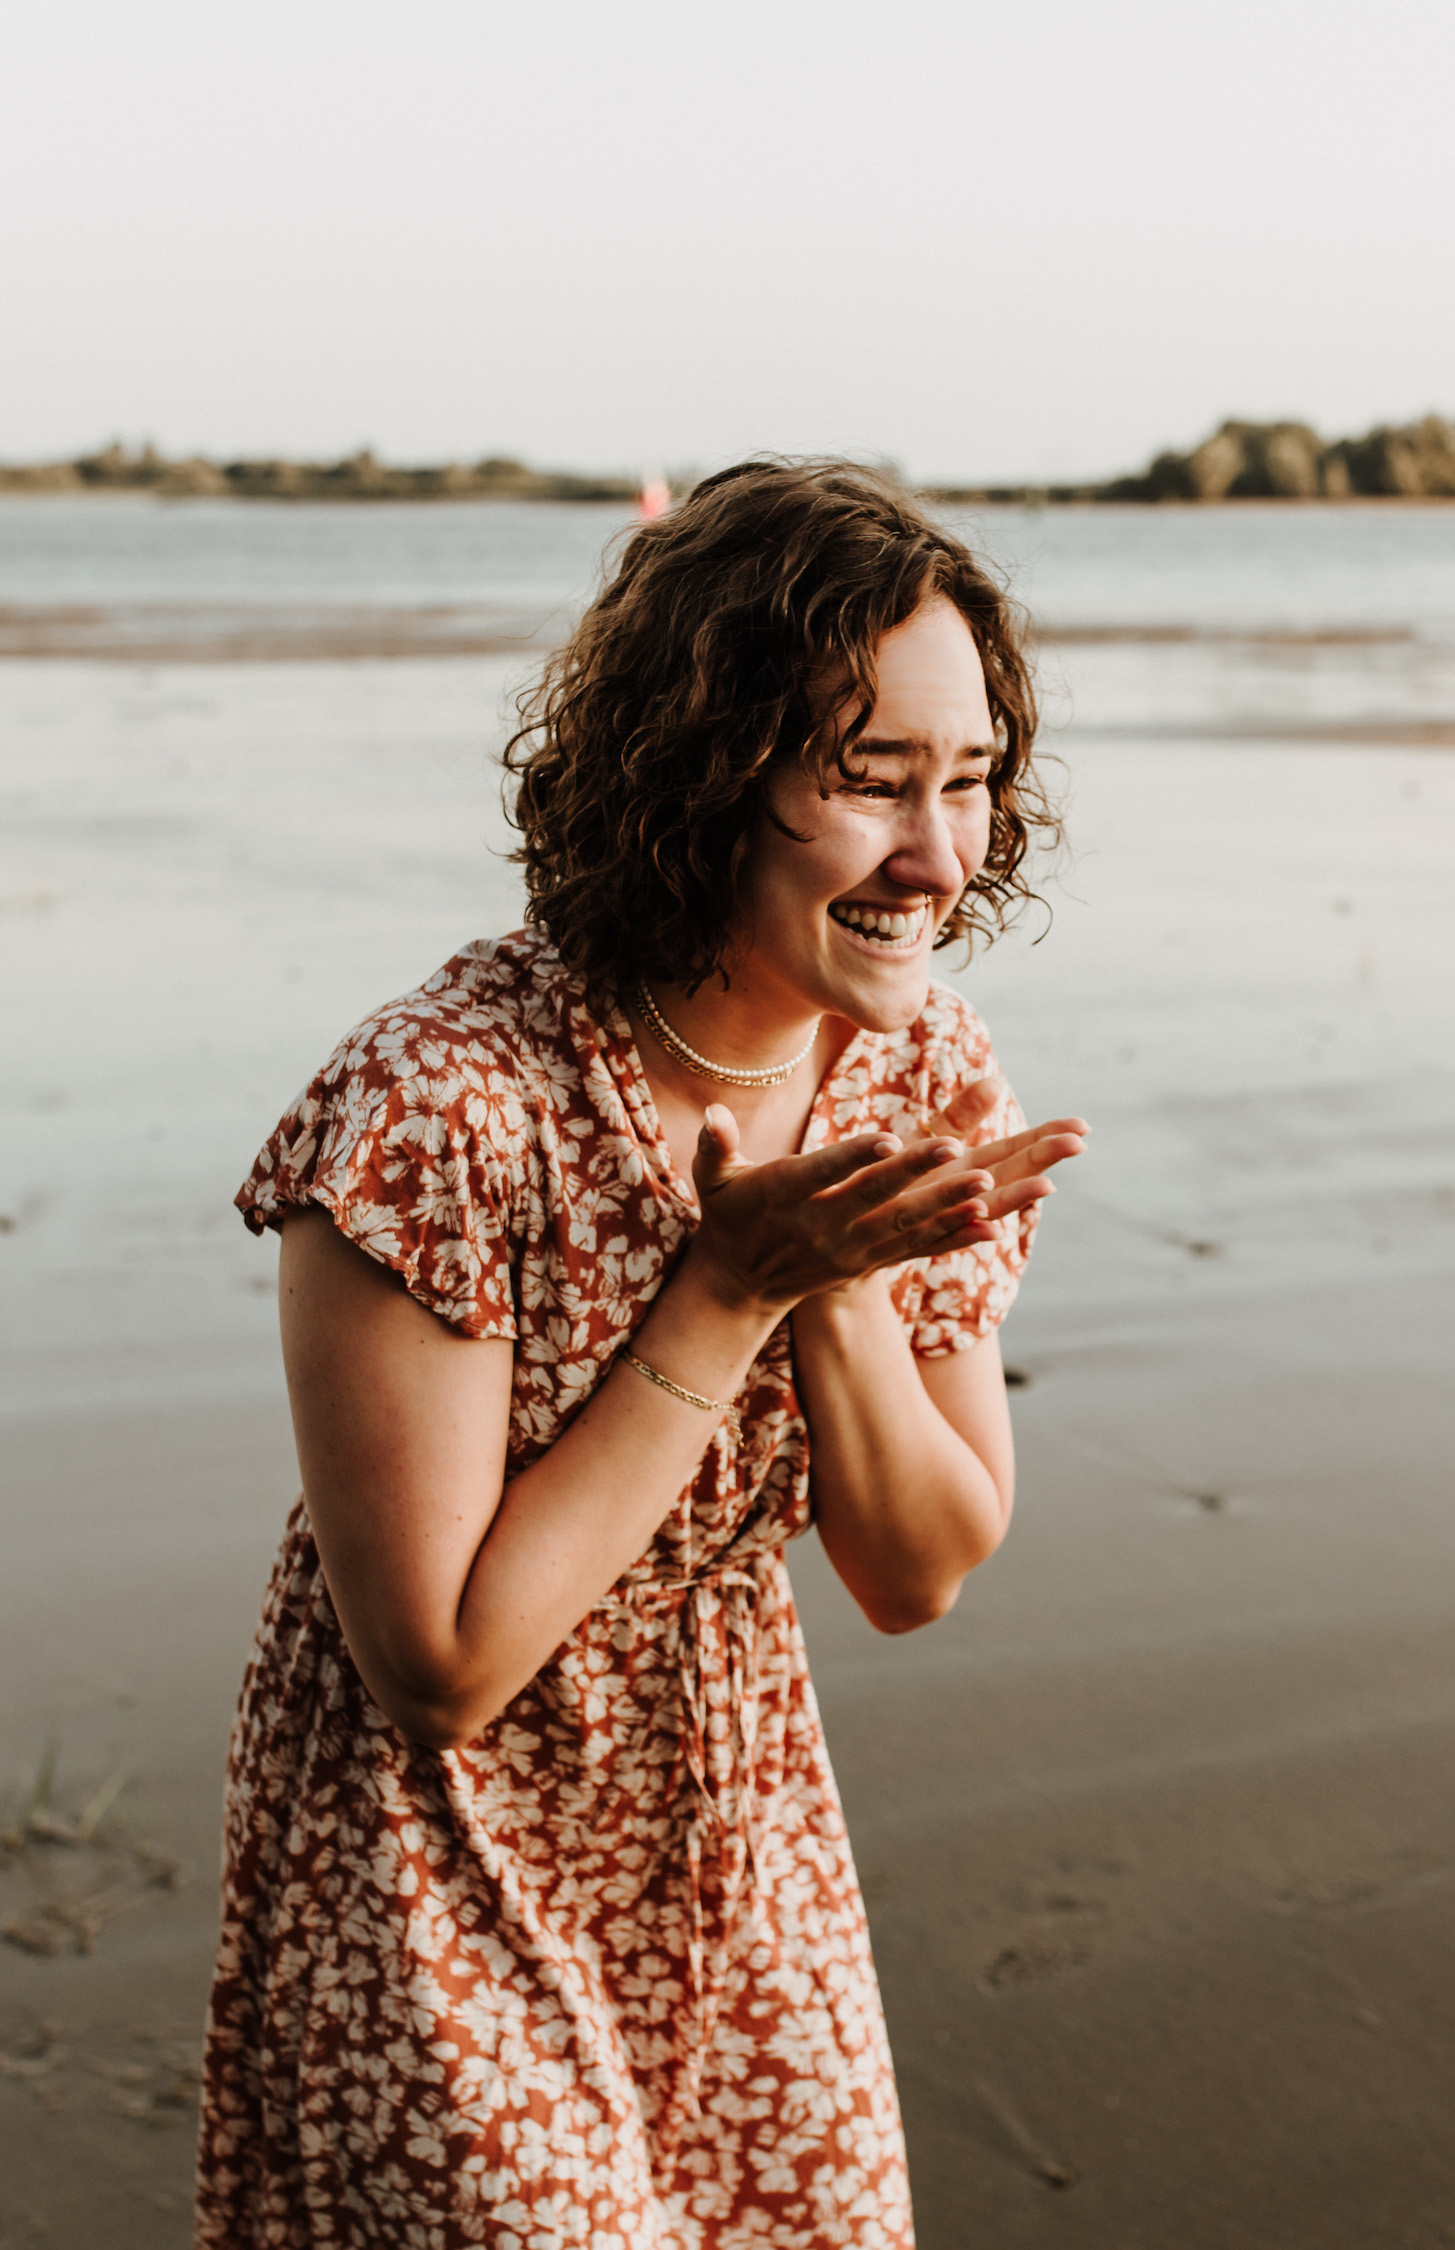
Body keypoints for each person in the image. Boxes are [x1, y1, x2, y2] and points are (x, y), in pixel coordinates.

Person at [195, 458, 1087, 2249]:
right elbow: (439, 1664)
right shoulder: (440, 1104)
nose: (938, 856)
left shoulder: (919, 1070)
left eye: (973, 781)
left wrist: (830, 1275)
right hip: (439, 1864)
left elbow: (917, 1567)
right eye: (871, 780)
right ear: (702, 775)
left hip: (740, 1833)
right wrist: (728, 1291)